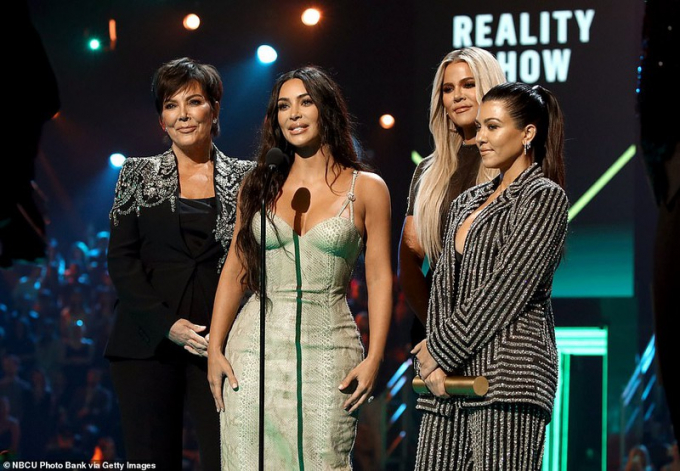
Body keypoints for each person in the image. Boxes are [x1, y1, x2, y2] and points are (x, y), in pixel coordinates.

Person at [207, 66, 393, 470]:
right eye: (283, 106)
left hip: (329, 350)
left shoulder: (367, 188)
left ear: (327, 109)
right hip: (252, 353)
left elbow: (380, 276)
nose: (293, 114)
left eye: (305, 102)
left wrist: (376, 355)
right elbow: (236, 269)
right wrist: (215, 348)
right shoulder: (258, 184)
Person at [105, 57, 254, 470]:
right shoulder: (136, 174)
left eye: (194, 102)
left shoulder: (248, 177)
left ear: (215, 109)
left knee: (227, 460)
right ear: (162, 120)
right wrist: (166, 324)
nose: (183, 114)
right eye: (171, 105)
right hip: (145, 344)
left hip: (223, 345)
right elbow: (121, 260)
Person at [412, 82, 569, 470]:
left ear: (528, 133)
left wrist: (439, 349)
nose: (480, 137)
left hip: (508, 379)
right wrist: (436, 362)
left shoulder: (543, 197)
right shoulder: (466, 202)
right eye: (480, 127)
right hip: (449, 381)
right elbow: (443, 289)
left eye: (493, 127)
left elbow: (508, 287)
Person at [398, 48, 505, 345]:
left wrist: (464, 334)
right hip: (434, 333)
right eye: (448, 89)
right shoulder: (428, 171)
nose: (457, 96)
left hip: (495, 334)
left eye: (468, 84)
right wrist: (437, 330)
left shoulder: (511, 163)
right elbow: (409, 260)